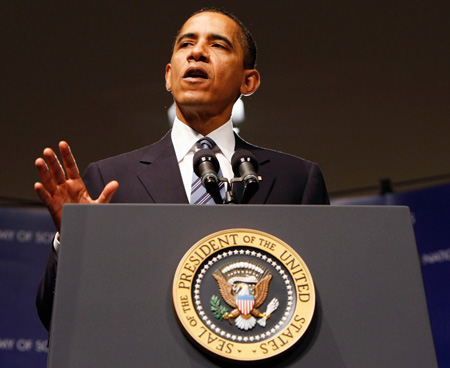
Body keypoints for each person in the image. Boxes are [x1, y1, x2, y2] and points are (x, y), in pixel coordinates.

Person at [34, 8, 329, 331]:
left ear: (249, 81)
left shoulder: (297, 180)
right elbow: (54, 317)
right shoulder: (111, 180)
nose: (197, 52)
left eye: (218, 45)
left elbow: (323, 306)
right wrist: (72, 242)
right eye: (186, 44)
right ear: (168, 75)